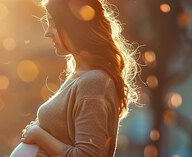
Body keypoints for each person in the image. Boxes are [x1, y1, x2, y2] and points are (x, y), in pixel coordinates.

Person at [10, 0, 139, 156]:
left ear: (74, 25)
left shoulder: (94, 82)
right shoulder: (80, 76)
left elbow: (87, 155)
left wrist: (38, 134)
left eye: (53, 24)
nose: (48, 32)